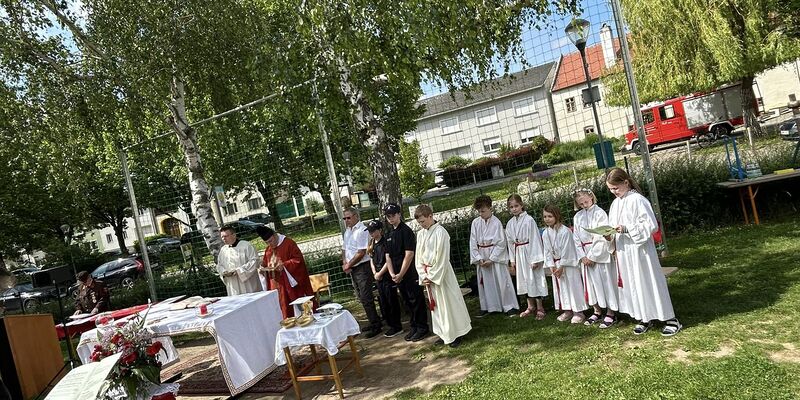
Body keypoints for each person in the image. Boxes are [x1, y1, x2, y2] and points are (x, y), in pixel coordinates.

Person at [605, 167, 682, 336]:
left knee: (649, 281)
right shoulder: (615, 203)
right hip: (625, 251)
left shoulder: (638, 200)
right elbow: (613, 227)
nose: (614, 192)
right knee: (633, 284)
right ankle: (644, 317)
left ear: (626, 182)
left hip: (640, 251)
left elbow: (651, 224)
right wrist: (609, 236)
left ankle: (670, 319)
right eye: (610, 189)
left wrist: (627, 228)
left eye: (616, 188)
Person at [414, 205, 471, 348]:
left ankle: (456, 333)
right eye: (419, 222)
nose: (421, 225)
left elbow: (442, 257)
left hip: (442, 274)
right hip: (428, 274)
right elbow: (418, 257)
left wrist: (432, 275)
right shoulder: (421, 234)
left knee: (448, 303)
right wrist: (423, 274)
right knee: (437, 307)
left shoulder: (441, 232)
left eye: (423, 221)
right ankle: (443, 333)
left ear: (430, 216)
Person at [572, 188, 619, 329]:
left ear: (591, 197)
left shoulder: (600, 213)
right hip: (585, 254)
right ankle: (597, 310)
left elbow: (601, 235)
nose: (584, 205)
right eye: (581, 204)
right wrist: (582, 256)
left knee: (605, 282)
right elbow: (575, 237)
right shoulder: (577, 216)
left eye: (586, 202)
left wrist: (592, 256)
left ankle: (611, 312)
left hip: (598, 253)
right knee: (591, 284)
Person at [384, 202, 429, 342]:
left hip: (408, 273)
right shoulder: (389, 233)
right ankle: (414, 326)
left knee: (415, 299)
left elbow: (409, 254)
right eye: (388, 216)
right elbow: (388, 256)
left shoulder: (406, 231)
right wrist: (392, 274)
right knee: (407, 301)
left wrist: (401, 274)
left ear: (399, 214)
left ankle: (422, 327)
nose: (391, 218)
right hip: (397, 275)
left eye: (393, 215)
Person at [469, 195, 518, 317]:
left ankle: (509, 306)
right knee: (486, 283)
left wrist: (492, 259)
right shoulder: (475, 223)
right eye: (479, 212)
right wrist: (479, 258)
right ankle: (488, 306)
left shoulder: (496, 223)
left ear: (490, 208)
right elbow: (473, 242)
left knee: (502, 281)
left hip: (494, 255)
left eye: (483, 211)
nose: (481, 214)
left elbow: (501, 243)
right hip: (481, 254)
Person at [542, 204, 588, 324]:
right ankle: (567, 310)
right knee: (562, 288)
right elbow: (546, 251)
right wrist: (551, 266)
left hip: (568, 264)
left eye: (550, 216)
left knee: (572, 286)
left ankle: (578, 311)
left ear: (556, 216)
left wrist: (562, 266)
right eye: (545, 216)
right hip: (555, 264)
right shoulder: (545, 233)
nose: (547, 219)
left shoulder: (565, 231)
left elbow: (568, 249)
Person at [257, 226, 315, 318]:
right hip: (276, 286)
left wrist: (284, 265)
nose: (269, 244)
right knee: (282, 311)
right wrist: (262, 269)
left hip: (290, 286)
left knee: (297, 311)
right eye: (267, 242)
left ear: (275, 235)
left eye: (270, 241)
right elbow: (265, 263)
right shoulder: (268, 250)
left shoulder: (289, 243)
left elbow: (298, 260)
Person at [504, 194, 547, 319]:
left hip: (529, 252)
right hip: (519, 253)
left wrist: (535, 259)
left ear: (521, 205)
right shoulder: (510, 223)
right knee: (524, 279)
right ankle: (530, 306)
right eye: (511, 207)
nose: (514, 209)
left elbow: (535, 239)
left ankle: (540, 307)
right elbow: (510, 242)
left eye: (516, 206)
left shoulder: (529, 220)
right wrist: (512, 260)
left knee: (534, 278)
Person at [342, 207, 382, 338]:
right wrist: (345, 263)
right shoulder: (347, 231)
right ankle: (373, 320)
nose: (346, 220)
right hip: (352, 268)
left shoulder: (362, 230)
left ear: (356, 216)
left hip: (362, 267)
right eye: (344, 218)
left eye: (348, 217)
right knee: (360, 296)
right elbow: (344, 249)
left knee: (366, 297)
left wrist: (348, 264)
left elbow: (361, 252)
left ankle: (376, 325)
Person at [366, 219, 403, 337]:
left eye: (373, 231)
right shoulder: (372, 244)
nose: (371, 233)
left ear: (380, 230)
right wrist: (374, 273)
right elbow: (371, 259)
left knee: (391, 301)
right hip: (378, 276)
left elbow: (388, 260)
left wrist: (380, 273)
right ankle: (390, 324)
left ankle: (396, 326)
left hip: (386, 276)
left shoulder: (385, 242)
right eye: (370, 231)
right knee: (383, 302)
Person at [217, 226, 262, 296]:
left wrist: (239, 271)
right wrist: (224, 272)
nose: (224, 239)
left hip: (248, 284)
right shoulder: (223, 250)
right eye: (222, 237)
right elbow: (219, 265)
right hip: (233, 285)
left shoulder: (246, 245)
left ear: (234, 235)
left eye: (226, 236)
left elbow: (254, 261)